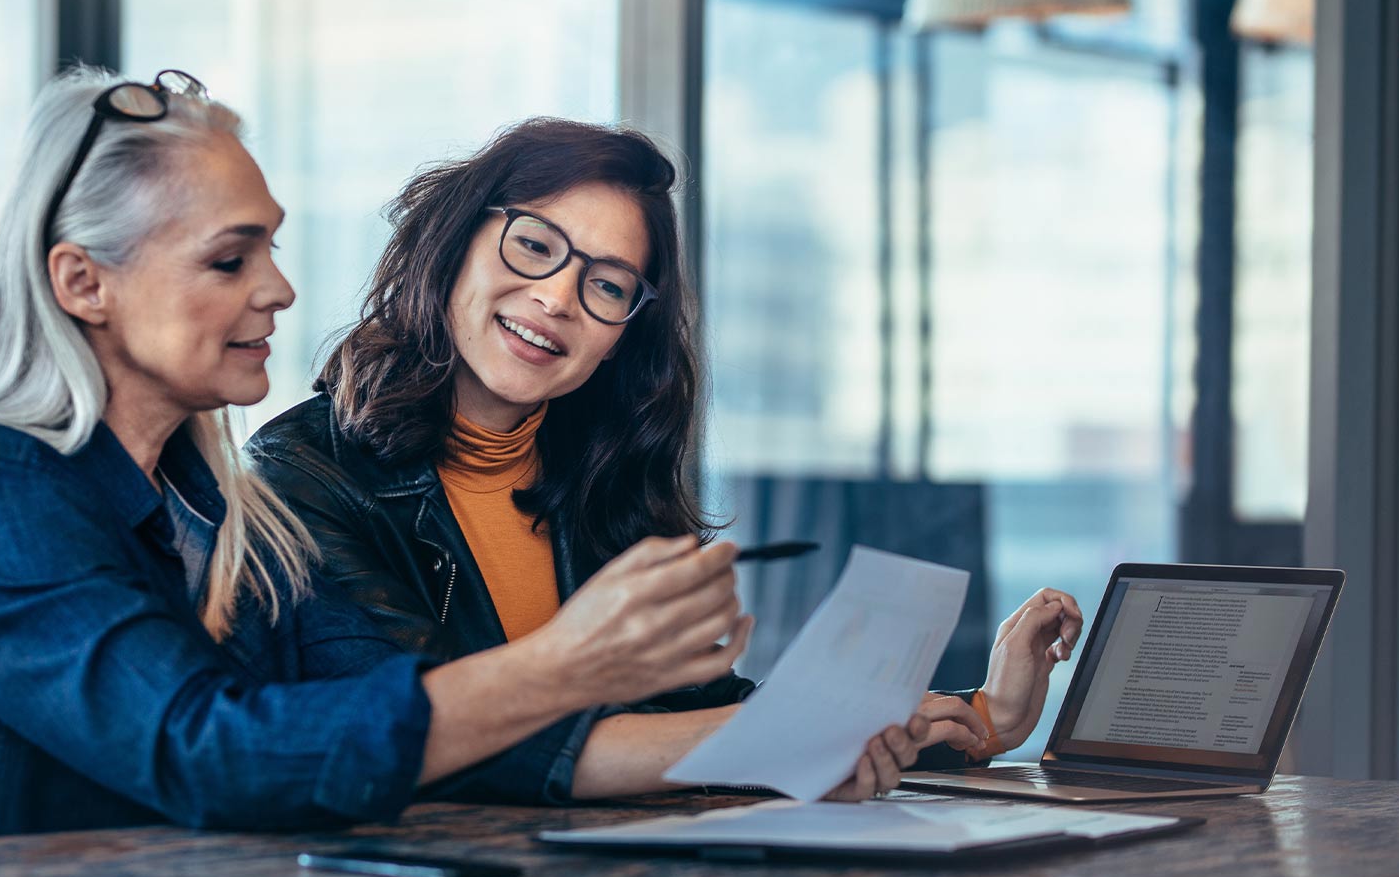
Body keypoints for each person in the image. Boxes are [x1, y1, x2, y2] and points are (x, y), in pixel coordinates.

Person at [0, 70, 927, 877]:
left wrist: (802, 734)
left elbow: (402, 712)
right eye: (229, 257)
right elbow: (210, 752)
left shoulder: (216, 504)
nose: (279, 289)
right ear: (82, 282)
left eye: (272, 246)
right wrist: (571, 663)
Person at [248, 118, 1086, 795]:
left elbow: (697, 715)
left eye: (607, 285)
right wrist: (791, 741)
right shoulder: (300, 477)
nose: (556, 299)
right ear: (454, 243)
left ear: (622, 337)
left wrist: (983, 717)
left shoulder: (601, 481)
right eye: (535, 246)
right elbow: (436, 736)